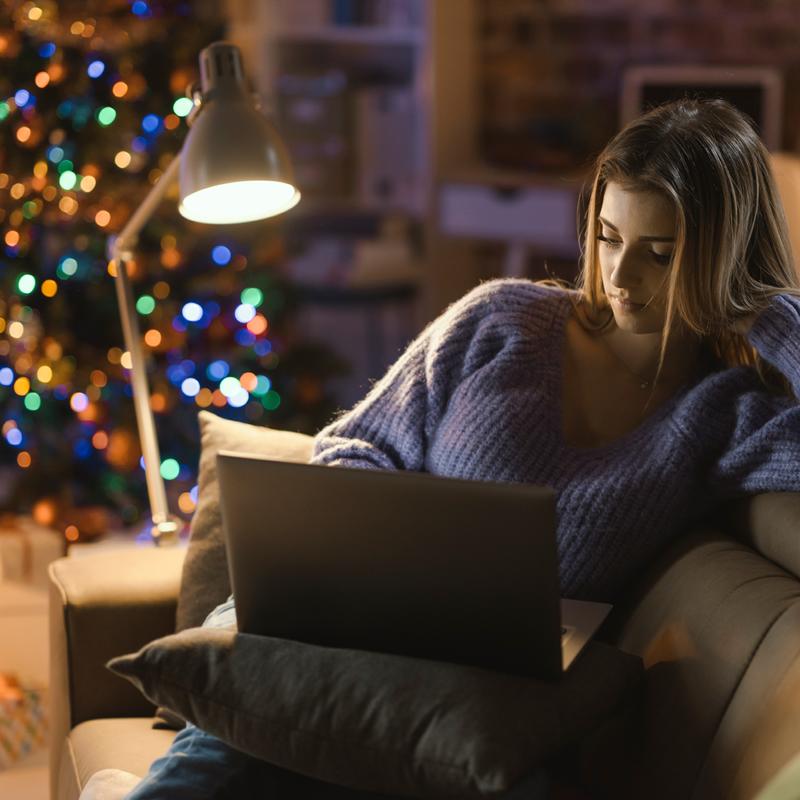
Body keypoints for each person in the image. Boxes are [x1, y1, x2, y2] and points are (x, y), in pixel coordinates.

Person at [120, 98, 800, 799]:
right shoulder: (502, 320)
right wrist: (385, 552)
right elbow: (354, 446)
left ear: (722, 256)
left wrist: (770, 308)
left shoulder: (728, 413)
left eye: (660, 254)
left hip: (480, 692)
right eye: (606, 237)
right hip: (349, 618)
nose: (622, 276)